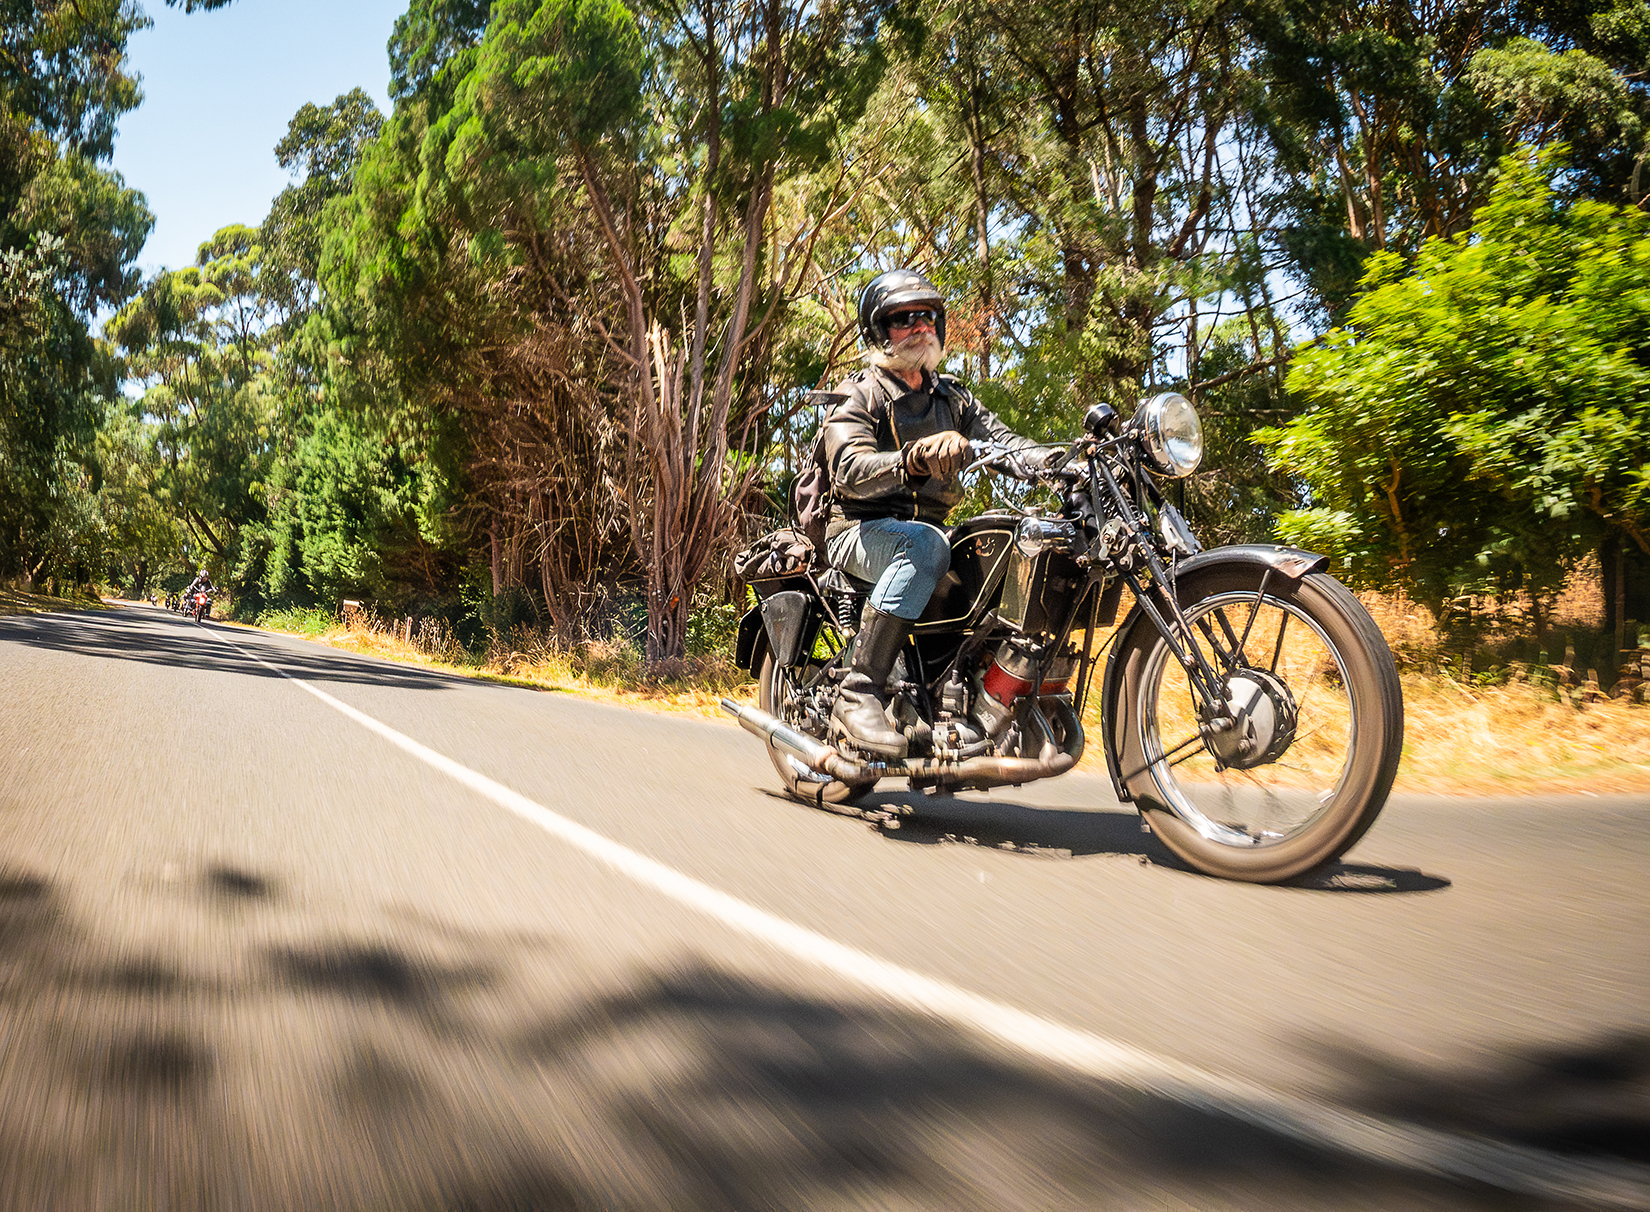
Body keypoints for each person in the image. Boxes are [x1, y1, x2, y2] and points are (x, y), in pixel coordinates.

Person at [819, 268, 1045, 757]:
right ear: (880, 331)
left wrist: (1063, 461)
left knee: (1011, 542)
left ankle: (981, 695)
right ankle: (859, 692)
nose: (920, 326)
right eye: (904, 319)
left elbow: (1007, 444)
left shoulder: (953, 397)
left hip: (928, 533)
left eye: (927, 316)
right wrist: (912, 459)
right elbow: (849, 468)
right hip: (859, 531)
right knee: (926, 544)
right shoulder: (860, 395)